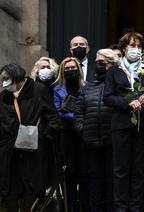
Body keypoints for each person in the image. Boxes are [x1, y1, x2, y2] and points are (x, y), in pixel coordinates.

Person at [104, 31, 144, 212]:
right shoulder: (114, 71)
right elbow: (107, 97)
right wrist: (127, 102)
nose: (135, 49)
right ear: (124, 48)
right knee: (120, 170)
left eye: (138, 46)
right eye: (132, 46)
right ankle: (120, 208)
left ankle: (136, 208)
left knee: (139, 170)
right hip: (121, 125)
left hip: (142, 126)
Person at [0, 63, 58, 211]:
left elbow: (52, 117)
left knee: (31, 190)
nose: (4, 82)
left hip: (33, 151)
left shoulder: (38, 90)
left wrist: (44, 136)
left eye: (6, 79)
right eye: (2, 80)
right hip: (10, 153)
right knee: (11, 191)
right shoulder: (3, 96)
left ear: (16, 76)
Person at [74, 49, 119, 212]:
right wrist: (82, 129)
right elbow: (78, 111)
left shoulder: (120, 86)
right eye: (97, 62)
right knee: (94, 184)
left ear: (112, 64)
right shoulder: (87, 86)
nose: (98, 65)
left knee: (112, 184)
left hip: (112, 143)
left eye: (102, 62)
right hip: (91, 143)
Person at [53, 57, 85, 212]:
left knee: (84, 171)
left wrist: (76, 116)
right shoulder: (57, 90)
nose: (70, 70)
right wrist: (77, 117)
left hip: (84, 134)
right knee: (69, 172)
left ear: (78, 69)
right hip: (66, 134)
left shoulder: (86, 87)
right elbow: (58, 111)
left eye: (73, 68)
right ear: (62, 71)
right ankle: (70, 206)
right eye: (67, 68)